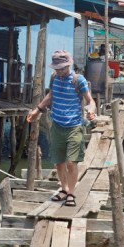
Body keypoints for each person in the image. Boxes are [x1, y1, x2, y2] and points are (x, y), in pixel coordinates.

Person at [26, 50, 97, 207]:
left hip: (75, 126)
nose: (60, 72)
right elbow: (50, 96)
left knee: (71, 162)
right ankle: (64, 189)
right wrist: (37, 110)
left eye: (62, 69)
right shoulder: (54, 78)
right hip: (57, 125)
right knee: (59, 162)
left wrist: (91, 111)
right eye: (57, 69)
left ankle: (71, 193)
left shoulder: (79, 80)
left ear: (68, 65)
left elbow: (91, 101)